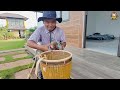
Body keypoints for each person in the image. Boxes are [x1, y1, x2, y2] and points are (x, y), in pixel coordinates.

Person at [27, 11, 66, 79]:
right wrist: (42, 47)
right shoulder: (39, 30)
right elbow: (29, 43)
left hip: (56, 53)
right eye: (47, 22)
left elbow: (64, 42)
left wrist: (61, 46)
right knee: (40, 58)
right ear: (43, 22)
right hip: (43, 53)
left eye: (53, 22)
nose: (50, 25)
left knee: (55, 70)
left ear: (56, 22)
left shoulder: (60, 31)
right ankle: (40, 74)